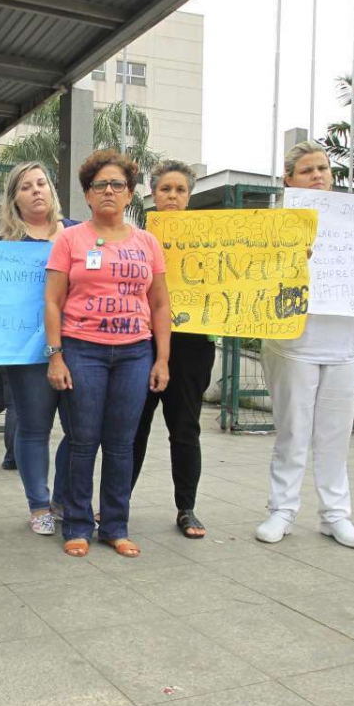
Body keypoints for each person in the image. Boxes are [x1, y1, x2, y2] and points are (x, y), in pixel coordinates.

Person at [255, 140, 354, 548]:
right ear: (289, 179)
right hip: (292, 343)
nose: (317, 176)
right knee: (292, 432)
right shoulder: (275, 222)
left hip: (345, 343)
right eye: (307, 170)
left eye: (323, 168)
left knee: (335, 435)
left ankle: (335, 515)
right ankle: (282, 510)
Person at [45, 149, 171, 558]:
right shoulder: (69, 240)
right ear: (87, 194)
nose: (109, 191)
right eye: (100, 185)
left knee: (121, 444)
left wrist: (162, 359)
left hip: (135, 353)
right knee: (82, 441)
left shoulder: (147, 243)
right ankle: (77, 525)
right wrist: (56, 356)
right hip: (82, 350)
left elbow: (160, 304)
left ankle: (115, 526)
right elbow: (52, 301)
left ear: (130, 193)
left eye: (118, 184)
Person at [131, 161, 212, 539]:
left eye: (180, 190)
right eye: (165, 189)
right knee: (133, 429)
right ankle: (117, 501)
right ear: (153, 194)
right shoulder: (135, 239)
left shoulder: (212, 241)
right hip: (141, 343)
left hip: (192, 345)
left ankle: (187, 508)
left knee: (185, 429)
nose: (173, 196)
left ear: (189, 196)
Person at [0, 162, 77, 536]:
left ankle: (62, 499)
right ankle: (39, 505)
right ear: (14, 198)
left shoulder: (79, 233)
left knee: (79, 431)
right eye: (26, 186)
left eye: (41, 183)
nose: (36, 191)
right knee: (33, 429)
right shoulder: (4, 247)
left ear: (51, 189)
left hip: (79, 346)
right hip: (27, 351)